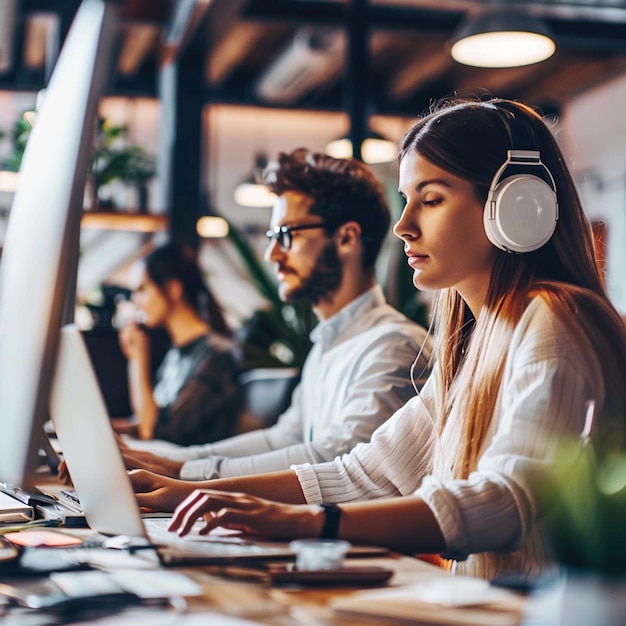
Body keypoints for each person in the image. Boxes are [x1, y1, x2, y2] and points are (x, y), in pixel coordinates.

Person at [131, 98, 626, 582]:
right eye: (408, 199)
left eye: (431, 199)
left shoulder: (553, 320)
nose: (404, 225)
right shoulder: (474, 343)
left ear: (518, 207)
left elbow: (502, 501)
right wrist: (184, 490)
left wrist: (306, 522)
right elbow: (367, 475)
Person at [120, 148, 431, 480]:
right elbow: (284, 438)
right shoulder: (329, 344)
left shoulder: (393, 347)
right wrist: (162, 459)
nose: (272, 254)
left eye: (286, 235)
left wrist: (183, 470)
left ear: (346, 237)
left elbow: (337, 457)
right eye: (272, 237)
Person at [114, 241, 241, 446]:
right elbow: (148, 418)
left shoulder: (216, 356)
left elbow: (153, 430)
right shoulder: (179, 352)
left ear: (173, 289)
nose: (136, 301)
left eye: (142, 290)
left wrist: (138, 359)